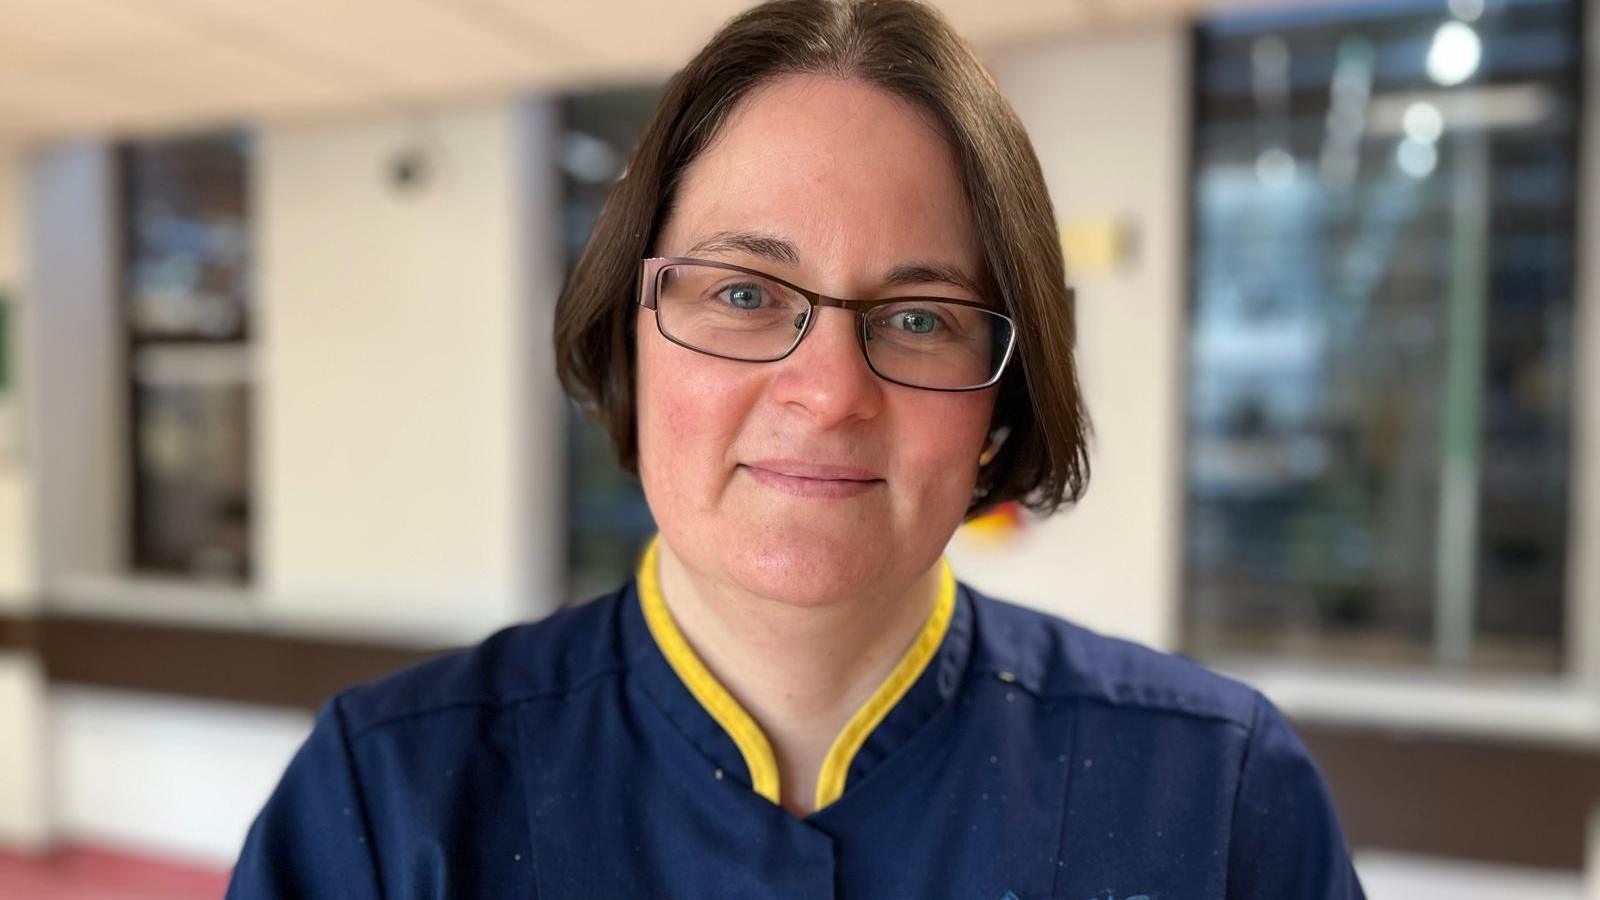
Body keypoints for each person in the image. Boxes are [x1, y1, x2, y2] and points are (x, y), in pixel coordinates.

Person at [227, 0, 1367, 897]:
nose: (827, 393)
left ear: (1001, 404)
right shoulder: (387, 803)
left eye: (919, 317)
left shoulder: (1216, 799)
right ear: (627, 343)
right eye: (740, 293)